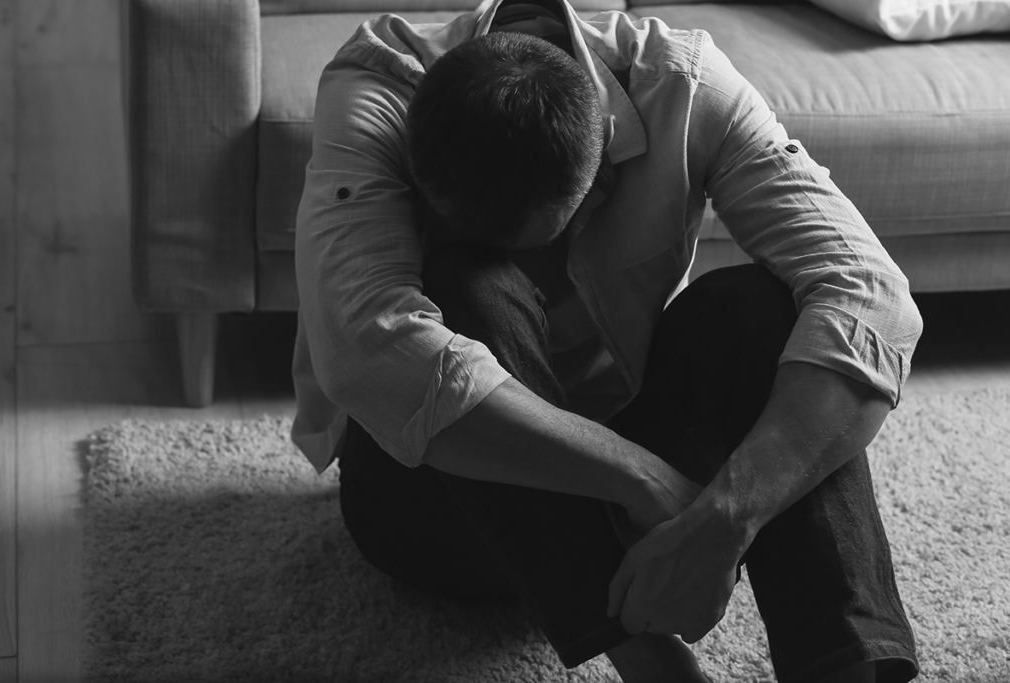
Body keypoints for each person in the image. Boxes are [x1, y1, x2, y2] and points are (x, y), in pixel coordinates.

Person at [289, 1, 924, 681]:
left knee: (763, 307)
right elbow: (364, 345)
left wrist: (728, 515)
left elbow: (869, 294)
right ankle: (652, 665)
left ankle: (846, 668)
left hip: (636, 491)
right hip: (439, 514)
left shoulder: (686, 85)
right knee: (465, 288)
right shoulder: (378, 86)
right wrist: (638, 474)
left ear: (603, 176)